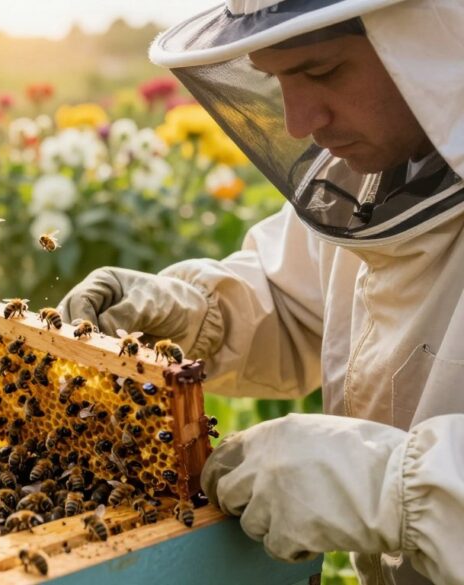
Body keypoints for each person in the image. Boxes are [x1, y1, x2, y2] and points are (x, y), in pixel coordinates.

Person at [57, 0, 464, 583]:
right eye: (278, 79)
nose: (299, 122)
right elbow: (294, 303)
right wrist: (194, 315)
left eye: (323, 71)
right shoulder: (371, 170)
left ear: (434, 41)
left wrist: (394, 486)